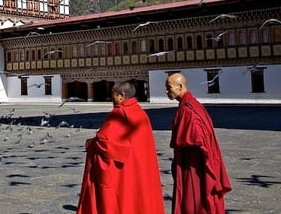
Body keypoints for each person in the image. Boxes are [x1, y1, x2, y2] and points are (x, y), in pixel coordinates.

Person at [77, 81, 165, 214]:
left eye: (113, 96)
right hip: (138, 169)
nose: (112, 101)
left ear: (121, 96)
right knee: (137, 199)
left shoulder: (119, 113)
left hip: (123, 172)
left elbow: (105, 143)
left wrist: (91, 143)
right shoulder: (141, 113)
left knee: (121, 200)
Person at [165, 72, 231, 214]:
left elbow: (197, 138)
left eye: (169, 88)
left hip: (194, 167)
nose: (166, 91)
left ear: (180, 86)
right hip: (189, 163)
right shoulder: (190, 105)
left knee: (194, 203)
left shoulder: (189, 110)